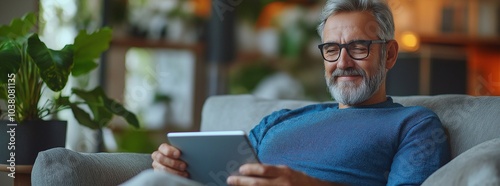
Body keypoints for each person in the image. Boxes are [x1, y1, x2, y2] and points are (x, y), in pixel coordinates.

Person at [149, 0, 451, 185]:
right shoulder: (280, 120)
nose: (342, 62)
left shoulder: (415, 125)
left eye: (358, 47)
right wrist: (179, 169)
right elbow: (226, 175)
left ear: (389, 54)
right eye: (332, 49)